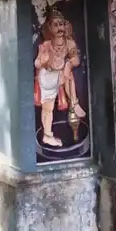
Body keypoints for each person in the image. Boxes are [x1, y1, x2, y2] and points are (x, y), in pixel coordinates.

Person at [34, 8, 85, 147]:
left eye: (61, 24)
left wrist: (68, 63)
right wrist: (44, 62)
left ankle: (74, 103)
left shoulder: (69, 43)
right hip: (48, 77)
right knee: (48, 109)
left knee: (67, 73)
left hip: (62, 75)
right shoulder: (46, 45)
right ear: (50, 27)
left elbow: (76, 60)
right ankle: (47, 135)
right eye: (55, 25)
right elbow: (37, 63)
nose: (59, 28)